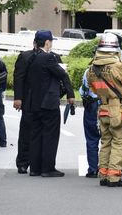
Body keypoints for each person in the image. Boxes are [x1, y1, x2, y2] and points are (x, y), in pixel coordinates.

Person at [86, 33, 122, 187]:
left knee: (106, 142)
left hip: (102, 109)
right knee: (120, 143)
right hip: (117, 109)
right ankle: (114, 177)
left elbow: (92, 87)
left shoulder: (92, 69)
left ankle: (103, 175)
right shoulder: (117, 66)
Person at [25, 30, 74, 177]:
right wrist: (70, 94)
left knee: (36, 135)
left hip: (34, 102)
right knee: (50, 135)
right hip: (48, 103)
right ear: (47, 42)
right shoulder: (48, 58)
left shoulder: (32, 57)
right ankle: (47, 168)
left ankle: (34, 168)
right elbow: (62, 74)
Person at [13, 40, 38, 174]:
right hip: (28, 100)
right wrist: (18, 98)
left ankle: (39, 162)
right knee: (26, 132)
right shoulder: (25, 56)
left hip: (45, 102)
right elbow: (19, 77)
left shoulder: (54, 57)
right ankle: (23, 162)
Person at [80, 66, 101, 178]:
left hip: (92, 106)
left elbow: (83, 91)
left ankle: (93, 169)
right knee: (110, 139)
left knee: (92, 138)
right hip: (111, 106)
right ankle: (108, 169)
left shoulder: (89, 71)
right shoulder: (115, 69)